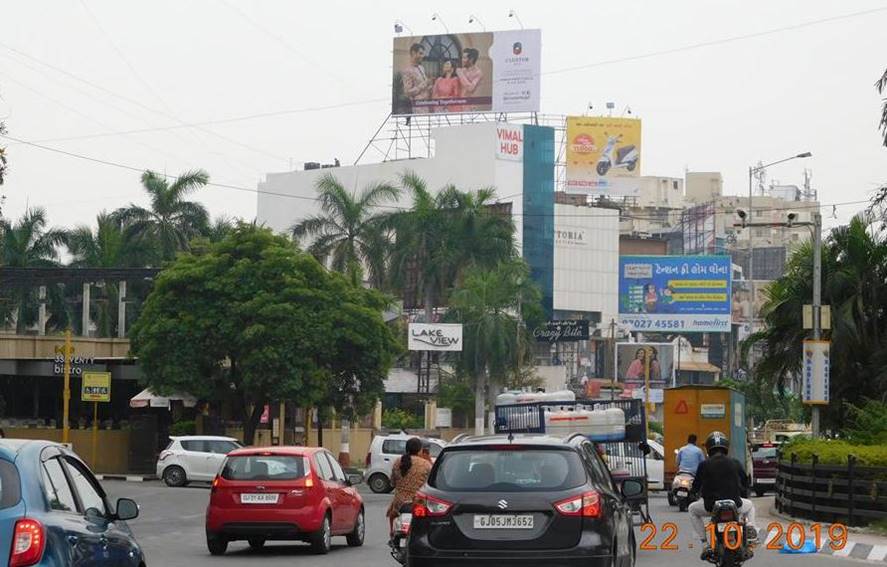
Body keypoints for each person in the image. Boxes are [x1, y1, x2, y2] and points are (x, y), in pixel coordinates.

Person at [689, 432, 758, 558]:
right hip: (734, 505)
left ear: (709, 448)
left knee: (692, 509)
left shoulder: (704, 465)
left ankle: (705, 544)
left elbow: (696, 486)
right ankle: (750, 528)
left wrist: (693, 493)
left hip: (711, 507)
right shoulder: (735, 463)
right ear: (726, 447)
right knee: (751, 506)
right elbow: (745, 482)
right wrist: (742, 492)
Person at [386, 437, 432, 535]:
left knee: (392, 513)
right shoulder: (426, 464)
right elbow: (431, 483)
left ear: (406, 449)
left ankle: (392, 533)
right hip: (417, 502)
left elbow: (392, 483)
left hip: (399, 503)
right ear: (420, 450)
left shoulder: (398, 462)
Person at [401, 43, 432, 113]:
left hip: (427, 105)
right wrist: (424, 84)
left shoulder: (421, 68)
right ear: (413, 53)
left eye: (423, 54)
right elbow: (408, 92)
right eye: (420, 53)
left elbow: (424, 85)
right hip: (418, 107)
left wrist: (429, 86)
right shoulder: (407, 71)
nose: (422, 56)